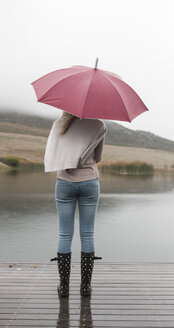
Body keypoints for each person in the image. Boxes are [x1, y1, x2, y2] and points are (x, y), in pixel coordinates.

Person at [48, 111, 107, 298]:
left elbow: (54, 153)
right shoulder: (99, 124)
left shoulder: (59, 123)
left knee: (64, 234)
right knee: (87, 233)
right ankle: (85, 288)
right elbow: (98, 158)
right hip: (90, 181)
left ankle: (64, 287)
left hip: (64, 182)